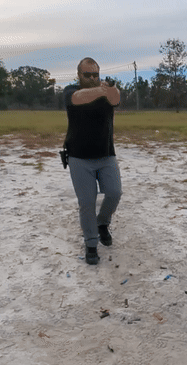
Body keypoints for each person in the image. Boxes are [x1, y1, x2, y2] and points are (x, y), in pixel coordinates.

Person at [63, 58, 122, 265]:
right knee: (87, 202)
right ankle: (91, 243)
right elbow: (78, 98)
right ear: (79, 75)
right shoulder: (71, 91)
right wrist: (101, 90)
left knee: (115, 193)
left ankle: (102, 224)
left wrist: (111, 89)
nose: (91, 78)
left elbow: (115, 98)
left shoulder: (107, 92)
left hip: (106, 155)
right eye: (87, 75)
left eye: (95, 75)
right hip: (79, 157)